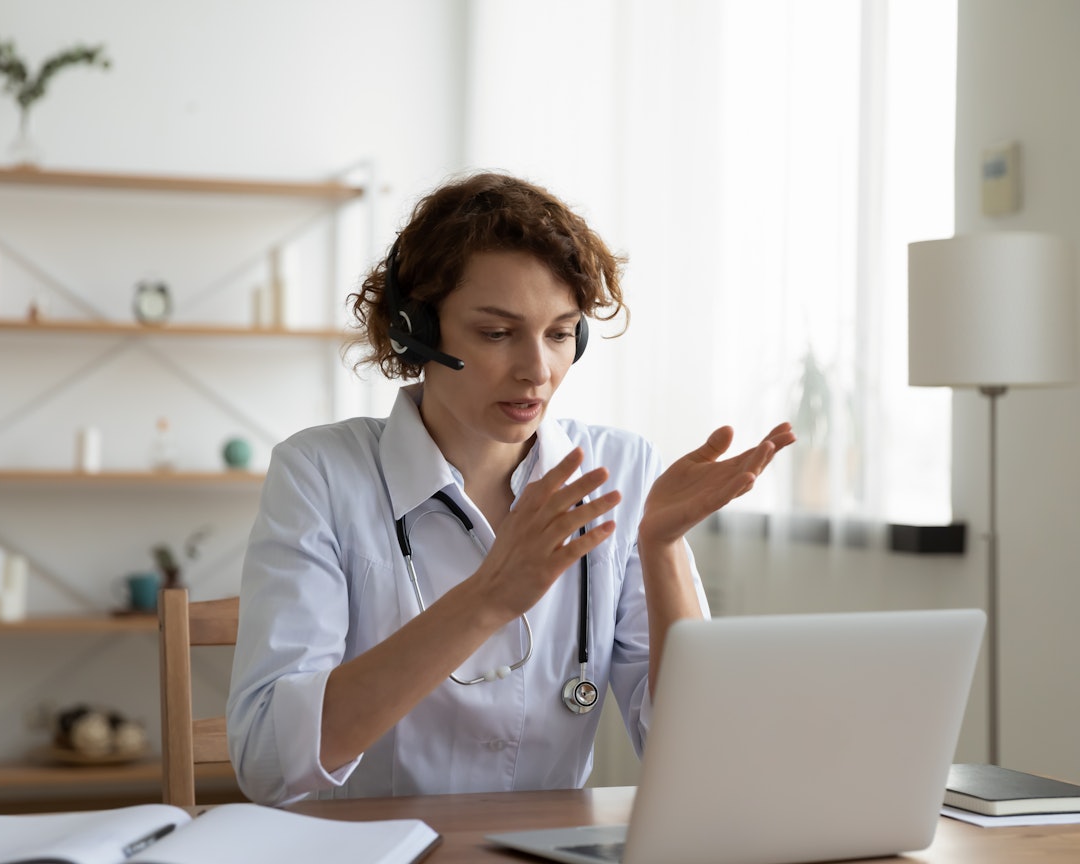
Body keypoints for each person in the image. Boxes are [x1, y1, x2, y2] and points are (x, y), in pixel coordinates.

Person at [226, 171, 795, 805]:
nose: (537, 370)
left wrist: (660, 549)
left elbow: (700, 763)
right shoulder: (320, 474)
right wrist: (487, 600)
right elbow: (268, 766)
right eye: (497, 334)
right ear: (417, 329)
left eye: (560, 334)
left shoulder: (621, 469)